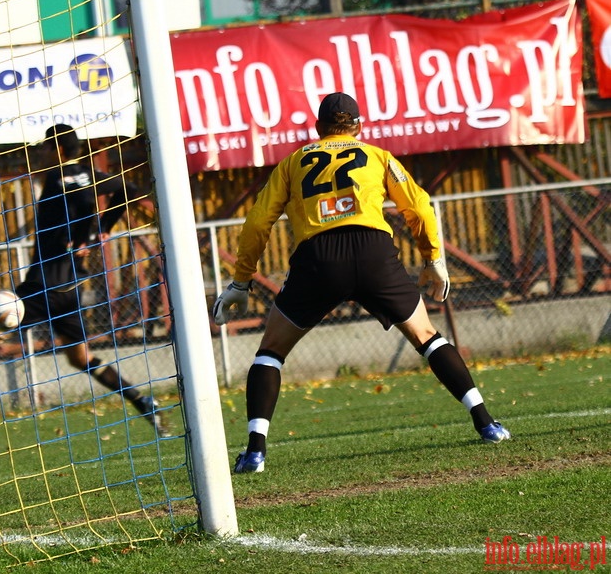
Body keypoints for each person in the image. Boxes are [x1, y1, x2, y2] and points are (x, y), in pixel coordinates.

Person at [213, 92, 511, 474]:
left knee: (270, 351)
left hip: (318, 258)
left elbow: (257, 222)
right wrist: (433, 259)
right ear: (359, 127)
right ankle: (486, 423)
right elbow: (419, 206)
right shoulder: (376, 155)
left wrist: (241, 281)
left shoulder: (293, 163)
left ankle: (255, 452)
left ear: (318, 127)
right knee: (427, 337)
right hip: (373, 252)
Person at [0, 124, 169, 437]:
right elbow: (130, 189)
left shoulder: (59, 177)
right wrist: (101, 229)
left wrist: (87, 234)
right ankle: (142, 402)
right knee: (80, 357)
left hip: (45, 284)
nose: (40, 152)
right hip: (70, 286)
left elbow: (84, 203)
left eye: (44, 146)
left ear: (57, 149)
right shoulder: (88, 172)